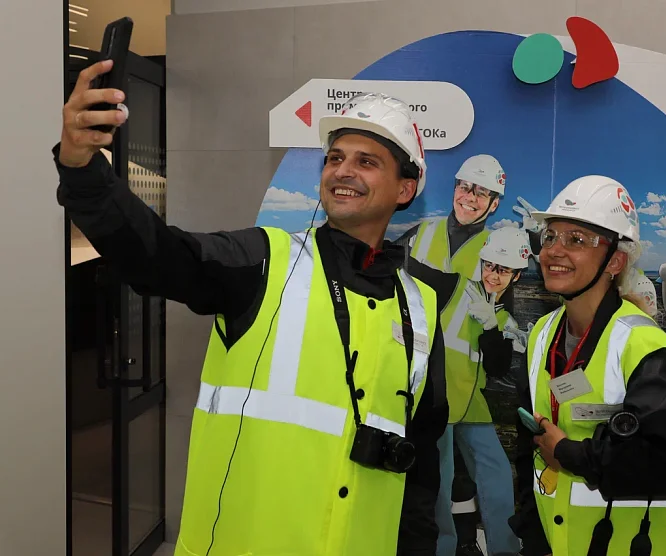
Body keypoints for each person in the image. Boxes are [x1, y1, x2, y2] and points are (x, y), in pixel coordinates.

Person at [55, 60, 449, 556]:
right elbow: (158, 255)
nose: (342, 171)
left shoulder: (420, 305)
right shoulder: (264, 260)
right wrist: (83, 171)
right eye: (334, 157)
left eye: (366, 161)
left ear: (405, 189)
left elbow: (422, 459)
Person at [508, 175, 666, 556]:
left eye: (576, 240)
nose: (554, 251)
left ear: (615, 260)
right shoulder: (541, 335)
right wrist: (533, 534)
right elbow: (531, 445)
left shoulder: (647, 348)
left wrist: (570, 454)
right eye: (550, 237)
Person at [407, 226, 531, 556]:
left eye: (503, 270)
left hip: (472, 405)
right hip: (438, 401)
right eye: (489, 265)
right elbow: (413, 270)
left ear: (517, 276)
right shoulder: (454, 287)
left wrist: (490, 327)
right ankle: (441, 550)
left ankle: (505, 550)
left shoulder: (504, 319)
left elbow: (498, 367)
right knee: (440, 480)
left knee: (497, 474)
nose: (493, 275)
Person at [396, 154, 506, 281]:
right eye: (464, 187)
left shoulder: (497, 250)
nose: (470, 197)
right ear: (455, 189)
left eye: (481, 193)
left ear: (494, 205)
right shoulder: (420, 233)